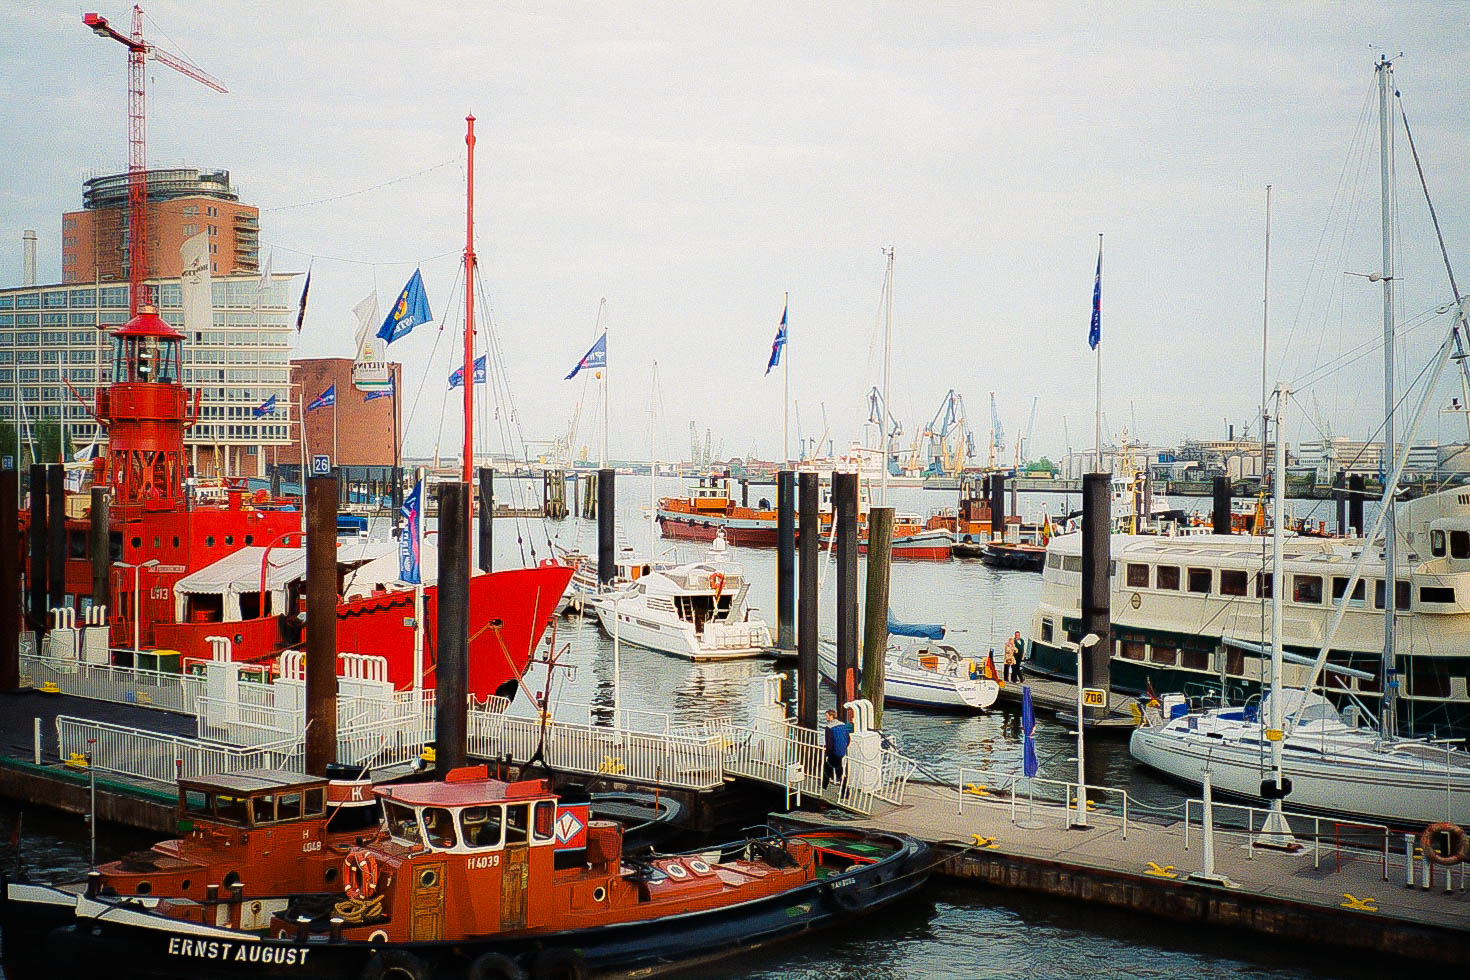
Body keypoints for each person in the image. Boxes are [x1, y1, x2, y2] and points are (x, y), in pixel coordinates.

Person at [822, 708, 852, 791]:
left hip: (834, 752)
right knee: (834, 767)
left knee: (830, 768)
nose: (826, 718)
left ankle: (826, 787)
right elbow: (848, 738)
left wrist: (827, 753)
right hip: (842, 751)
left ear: (831, 716)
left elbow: (829, 743)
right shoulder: (843, 724)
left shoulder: (829, 728)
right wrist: (844, 747)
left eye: (827, 716)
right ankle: (826, 786)